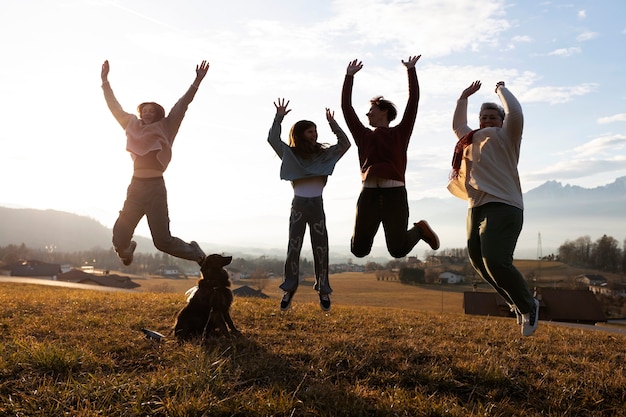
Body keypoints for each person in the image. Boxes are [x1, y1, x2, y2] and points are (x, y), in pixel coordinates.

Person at [448, 80, 539, 336]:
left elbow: (516, 113)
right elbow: (457, 125)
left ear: (501, 120)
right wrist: (463, 97)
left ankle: (529, 305)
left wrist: (501, 89)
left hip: (503, 205)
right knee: (478, 262)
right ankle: (517, 302)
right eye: (483, 117)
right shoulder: (470, 139)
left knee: (496, 261)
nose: (487, 120)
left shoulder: (506, 137)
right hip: (475, 207)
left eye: (492, 116)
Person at [100, 59, 208, 267]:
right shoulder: (131, 124)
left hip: (155, 188)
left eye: (152, 110)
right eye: (145, 110)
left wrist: (196, 82)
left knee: (162, 241)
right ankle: (126, 250)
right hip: (136, 187)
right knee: (119, 236)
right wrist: (105, 81)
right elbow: (114, 106)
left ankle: (196, 253)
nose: (147, 112)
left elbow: (182, 105)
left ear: (158, 113)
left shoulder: (167, 126)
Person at [341, 55, 439, 259]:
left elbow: (413, 102)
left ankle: (420, 230)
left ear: (384, 112)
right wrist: (349, 77)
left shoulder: (400, 133)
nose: (367, 115)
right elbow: (346, 109)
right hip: (368, 196)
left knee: (398, 249)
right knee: (358, 250)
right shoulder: (363, 135)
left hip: (394, 196)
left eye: (371, 111)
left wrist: (410, 70)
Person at [268, 98, 351, 311]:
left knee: (321, 248)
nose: (314, 134)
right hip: (298, 206)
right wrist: (279, 117)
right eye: (310, 132)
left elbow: (345, 144)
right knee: (293, 248)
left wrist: (333, 124)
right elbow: (272, 139)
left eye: (316, 131)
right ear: (300, 135)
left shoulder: (325, 155)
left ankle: (324, 290)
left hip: (317, 206)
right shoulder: (291, 155)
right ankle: (289, 289)